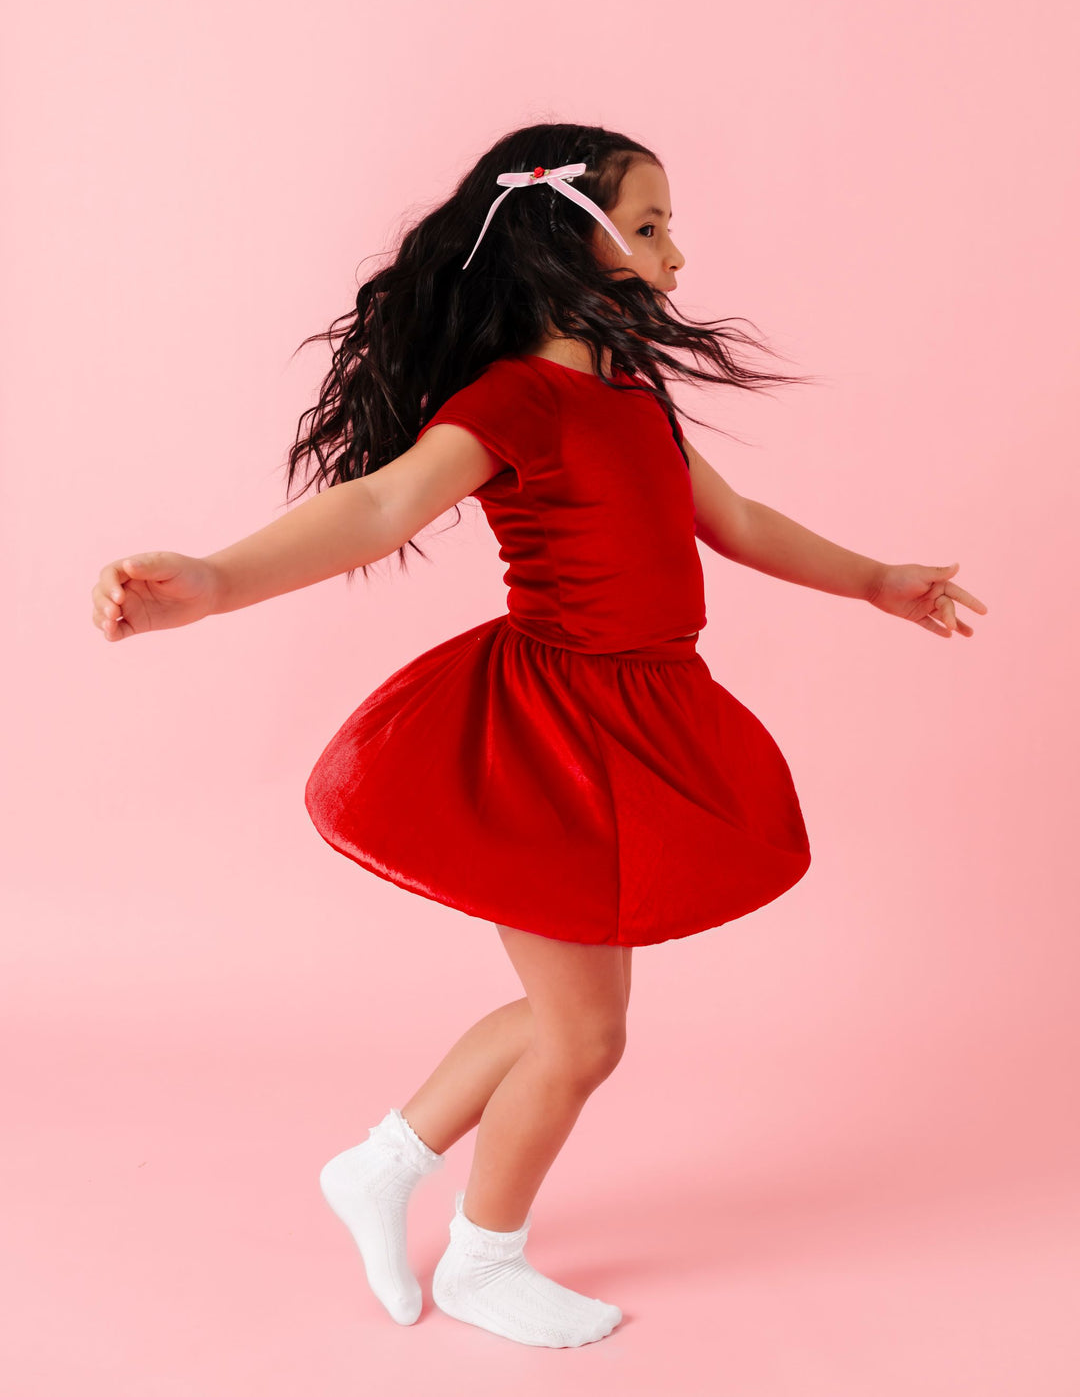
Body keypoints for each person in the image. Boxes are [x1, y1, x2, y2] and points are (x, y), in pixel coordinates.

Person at [90, 121, 988, 1349]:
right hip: (550, 727)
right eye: (654, 222)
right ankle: (480, 1260)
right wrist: (210, 579)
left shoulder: (630, 390)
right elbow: (383, 501)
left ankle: (383, 1162)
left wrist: (874, 579)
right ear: (574, 232)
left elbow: (730, 517)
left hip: (646, 711)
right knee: (586, 1032)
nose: (678, 248)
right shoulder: (514, 397)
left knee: (573, 1018)